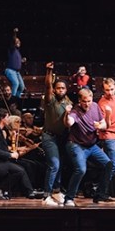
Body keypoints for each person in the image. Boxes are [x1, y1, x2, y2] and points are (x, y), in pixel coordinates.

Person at [63, 88, 113, 206]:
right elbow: (69, 123)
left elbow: (104, 124)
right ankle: (69, 198)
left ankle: (100, 195)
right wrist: (66, 114)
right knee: (81, 169)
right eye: (84, 102)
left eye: (89, 101)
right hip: (77, 145)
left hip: (91, 145)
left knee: (108, 164)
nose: (87, 104)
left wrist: (103, 121)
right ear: (79, 101)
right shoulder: (75, 111)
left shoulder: (95, 106)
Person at [0, 108, 41, 199]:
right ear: (2, 118)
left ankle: (29, 191)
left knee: (21, 169)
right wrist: (11, 155)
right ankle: (2, 187)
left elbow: (2, 148)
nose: (8, 119)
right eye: (7, 117)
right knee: (20, 170)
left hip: (0, 160)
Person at [42, 62, 72, 207]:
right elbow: (48, 85)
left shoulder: (68, 102)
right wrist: (49, 71)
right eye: (58, 88)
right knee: (54, 164)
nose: (60, 90)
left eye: (63, 88)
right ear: (54, 89)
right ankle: (46, 195)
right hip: (49, 136)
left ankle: (56, 191)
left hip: (62, 137)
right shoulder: (50, 99)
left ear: (66, 90)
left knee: (60, 165)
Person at [4, 27, 26, 98]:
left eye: (19, 41)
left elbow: (15, 61)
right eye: (17, 41)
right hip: (10, 70)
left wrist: (21, 61)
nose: (18, 42)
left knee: (22, 87)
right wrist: (15, 33)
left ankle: (17, 99)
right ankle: (12, 99)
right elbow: (13, 40)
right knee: (16, 83)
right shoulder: (12, 49)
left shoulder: (17, 52)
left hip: (17, 72)